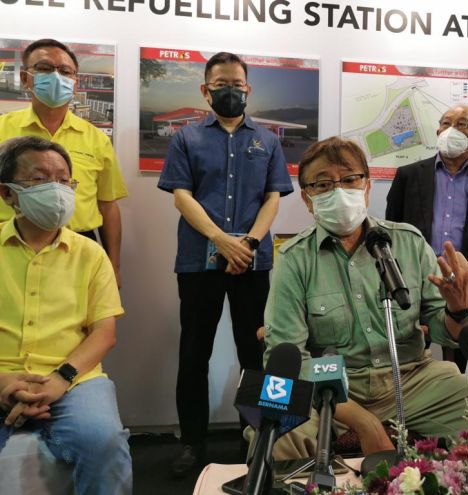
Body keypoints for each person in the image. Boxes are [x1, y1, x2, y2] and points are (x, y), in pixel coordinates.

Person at [263, 136, 468, 460]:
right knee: (277, 433)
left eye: (348, 179)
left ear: (367, 186)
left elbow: (448, 335)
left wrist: (457, 309)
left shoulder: (408, 243)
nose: (338, 191)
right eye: (323, 184)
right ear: (307, 197)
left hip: (412, 378)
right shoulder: (294, 259)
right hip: (330, 387)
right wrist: (364, 421)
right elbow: (290, 358)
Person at [157, 51, 294, 476]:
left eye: (237, 84)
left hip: (253, 262)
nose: (230, 90)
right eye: (221, 84)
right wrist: (221, 240)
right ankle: (193, 443)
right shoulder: (186, 138)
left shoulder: (268, 140)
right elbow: (182, 195)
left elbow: (273, 197)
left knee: (257, 353)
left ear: (248, 88)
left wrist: (248, 243)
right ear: (206, 89)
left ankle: (258, 439)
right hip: (199, 261)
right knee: (193, 353)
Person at [0, 136, 131, 494]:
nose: (56, 191)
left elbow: (104, 333)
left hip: (75, 377)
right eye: (39, 180)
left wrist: (61, 378)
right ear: (7, 193)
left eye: (63, 181)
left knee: (103, 441)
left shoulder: (91, 254)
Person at [0, 38, 128, 285]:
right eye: (45, 69)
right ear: (26, 79)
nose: (56, 77)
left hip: (80, 246)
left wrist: (114, 264)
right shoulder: (3, 129)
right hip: (11, 245)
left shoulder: (96, 139)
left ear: (75, 82)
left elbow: (108, 206)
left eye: (65, 71)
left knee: (81, 320)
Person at [386, 104, 468, 330]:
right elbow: (393, 229)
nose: (451, 129)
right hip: (415, 281)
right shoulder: (408, 176)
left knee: (466, 352)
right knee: (415, 351)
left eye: (461, 125)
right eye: (446, 123)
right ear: (438, 132)